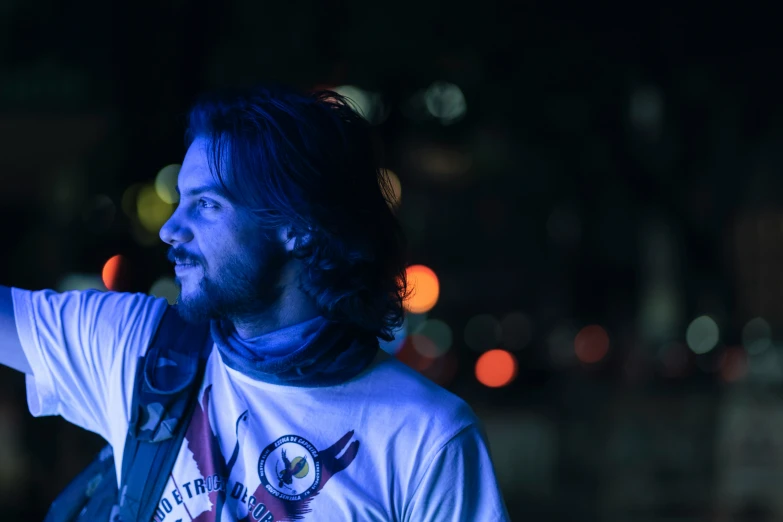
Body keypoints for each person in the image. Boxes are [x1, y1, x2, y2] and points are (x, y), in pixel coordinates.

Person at [0, 84, 510, 521]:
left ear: (297, 228)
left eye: (206, 204)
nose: (172, 229)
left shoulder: (427, 438)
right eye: (180, 201)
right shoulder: (134, 347)